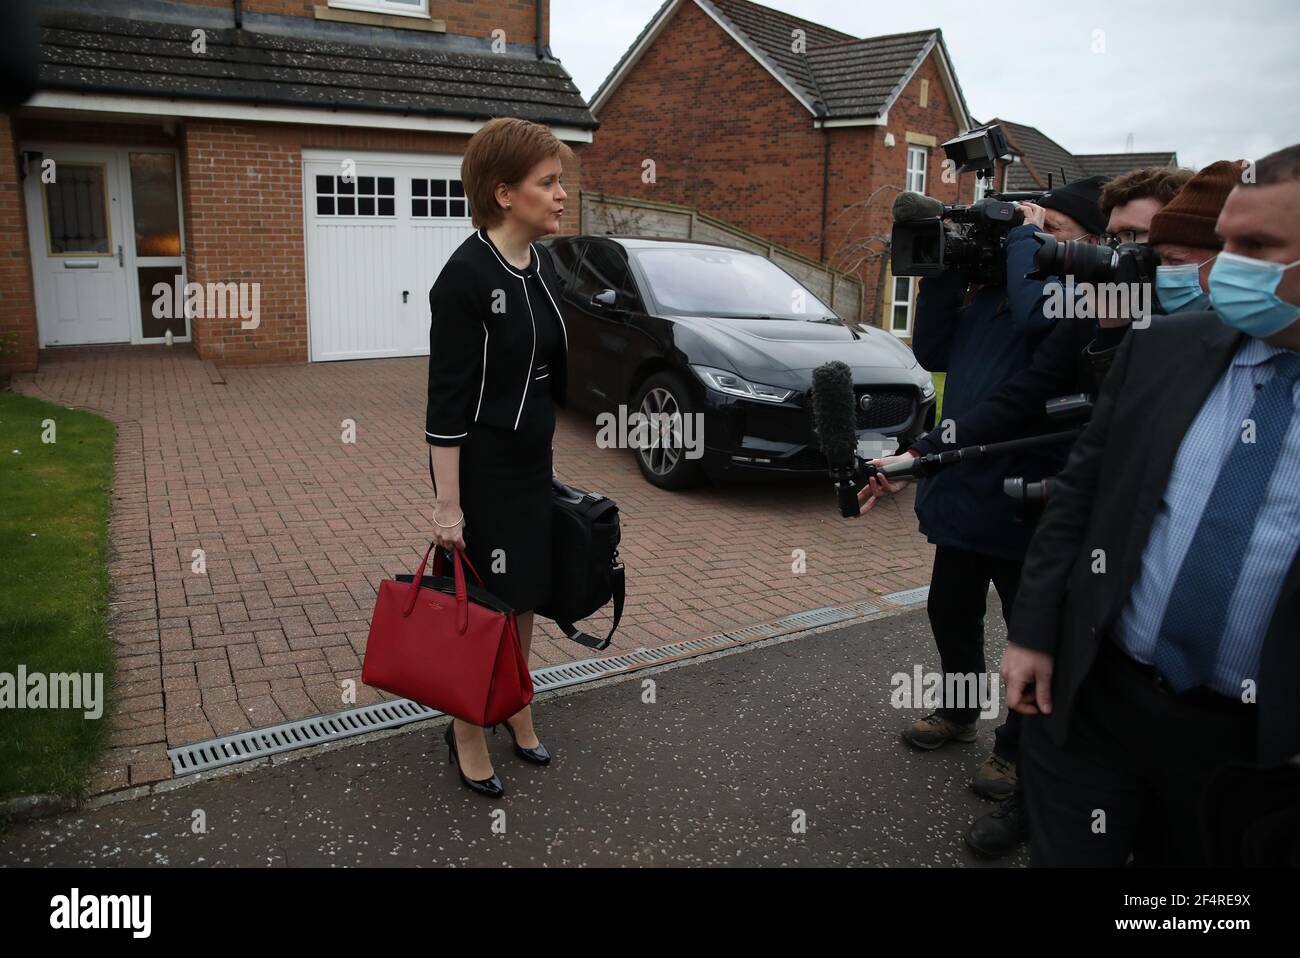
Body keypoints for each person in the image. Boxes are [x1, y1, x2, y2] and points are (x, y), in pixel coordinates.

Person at [1000, 143, 1300, 866]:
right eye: (1222, 242)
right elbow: (1080, 494)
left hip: (1250, 749)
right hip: (1101, 701)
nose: (1225, 267)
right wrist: (1034, 633)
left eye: (1256, 246)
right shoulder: (1164, 345)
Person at [887, 176, 1107, 817]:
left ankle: (1015, 745)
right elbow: (930, 349)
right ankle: (958, 710)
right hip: (963, 487)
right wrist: (942, 271)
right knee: (949, 611)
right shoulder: (990, 295)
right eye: (1037, 232)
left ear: (1093, 245)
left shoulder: (1077, 299)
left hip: (1025, 492)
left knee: (1027, 627)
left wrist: (1020, 238)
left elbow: (1039, 326)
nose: (1039, 241)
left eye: (1055, 233)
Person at [425, 117, 572, 798]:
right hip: (482, 475)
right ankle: (464, 730)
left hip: (530, 469)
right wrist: (448, 508)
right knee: (480, 608)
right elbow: (446, 408)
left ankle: (515, 701)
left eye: (560, 180)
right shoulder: (462, 278)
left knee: (523, 600)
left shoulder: (539, 265)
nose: (562, 194)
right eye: (549, 182)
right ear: (505, 192)